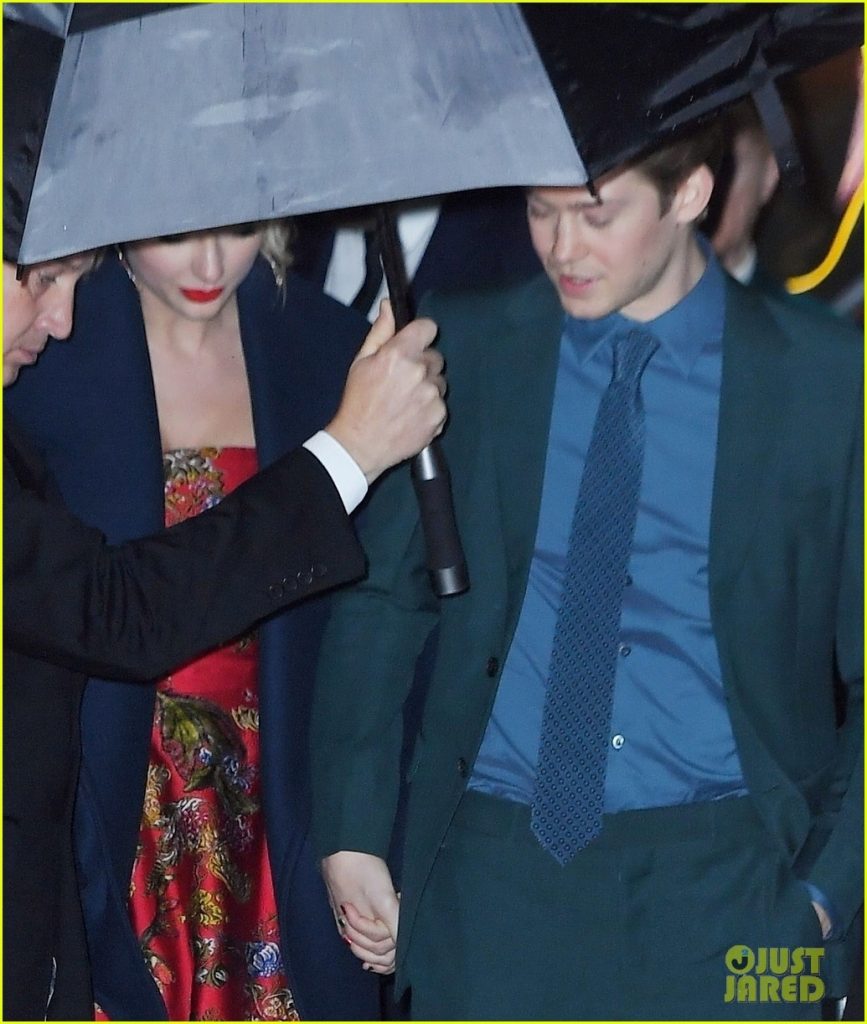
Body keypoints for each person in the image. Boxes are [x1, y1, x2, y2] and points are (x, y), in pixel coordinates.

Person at [309, 121, 862, 1020]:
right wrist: (351, 832)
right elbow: (382, 596)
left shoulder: (828, 380)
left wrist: (825, 894)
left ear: (689, 195)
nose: (562, 247)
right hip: (493, 881)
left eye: (596, 216)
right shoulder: (468, 344)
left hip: (739, 884)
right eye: (541, 211)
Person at [3, 251, 445, 1022]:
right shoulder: (53, 380)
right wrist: (349, 451)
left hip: (271, 838)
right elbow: (113, 609)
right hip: (107, 844)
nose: (61, 317)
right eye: (42, 280)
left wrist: (369, 834)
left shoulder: (320, 342)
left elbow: (385, 632)